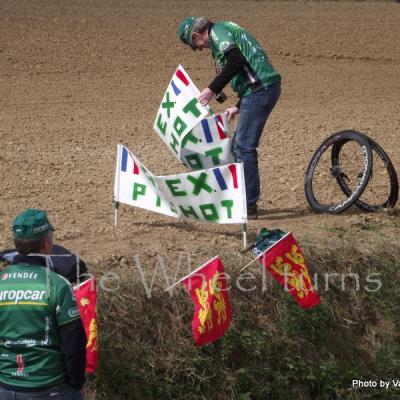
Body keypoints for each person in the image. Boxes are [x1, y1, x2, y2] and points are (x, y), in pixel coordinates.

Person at [178, 17, 282, 219]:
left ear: (197, 35)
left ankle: (248, 206)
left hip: (260, 89)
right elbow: (248, 65)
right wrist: (238, 106)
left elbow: (236, 60)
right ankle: (243, 199)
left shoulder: (218, 32)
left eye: (196, 46)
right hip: (260, 89)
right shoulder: (226, 29)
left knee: (244, 147)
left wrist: (211, 89)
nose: (200, 49)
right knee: (238, 147)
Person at [0, 208, 86, 400]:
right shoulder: (58, 284)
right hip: (51, 387)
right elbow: (73, 345)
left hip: (6, 385)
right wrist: (76, 383)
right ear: (46, 243)